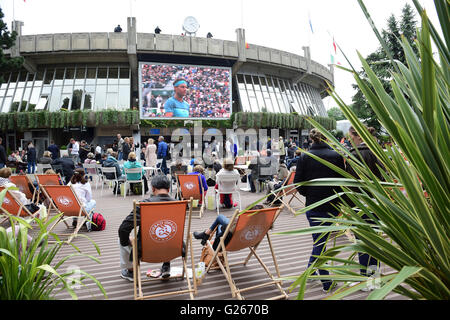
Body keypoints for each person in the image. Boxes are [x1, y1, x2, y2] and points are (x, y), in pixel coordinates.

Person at [293, 128, 345, 292]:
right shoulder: (336, 156)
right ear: (327, 137)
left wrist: (308, 194)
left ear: (311, 139)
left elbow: (298, 182)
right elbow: (342, 180)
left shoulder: (304, 157)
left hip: (313, 204)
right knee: (321, 241)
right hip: (332, 204)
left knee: (319, 241)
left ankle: (314, 273)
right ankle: (325, 281)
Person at [346, 125, 385, 290]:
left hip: (358, 204)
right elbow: (384, 177)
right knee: (374, 242)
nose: (349, 139)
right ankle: (374, 279)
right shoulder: (376, 153)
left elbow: (349, 184)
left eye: (350, 136)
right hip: (376, 203)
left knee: (362, 242)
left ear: (358, 137)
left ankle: (365, 279)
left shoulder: (354, 155)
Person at [118, 175, 174, 281]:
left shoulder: (144, 205)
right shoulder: (179, 204)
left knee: (121, 238)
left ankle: (131, 271)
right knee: (169, 231)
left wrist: (128, 244)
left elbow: (123, 229)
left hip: (145, 250)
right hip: (174, 248)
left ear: (153, 189)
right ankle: (166, 265)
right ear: (168, 189)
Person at [193, 205, 264, 249]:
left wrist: (239, 217)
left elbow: (230, 229)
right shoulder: (263, 225)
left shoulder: (238, 224)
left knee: (220, 221)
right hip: (246, 242)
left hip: (223, 244)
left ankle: (206, 235)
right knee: (221, 220)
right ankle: (206, 234)